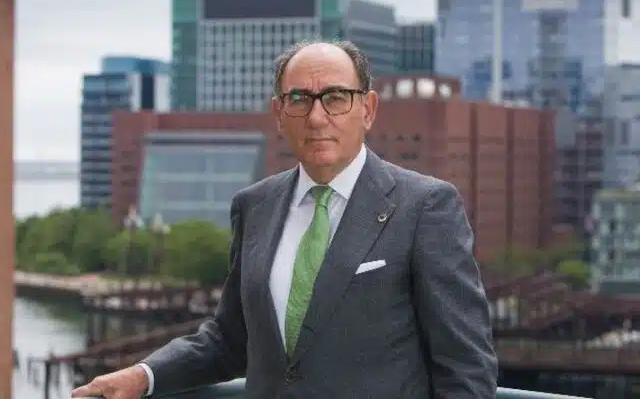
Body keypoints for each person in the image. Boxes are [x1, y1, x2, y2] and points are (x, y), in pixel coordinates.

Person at [72, 40, 498, 398]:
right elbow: (231, 339)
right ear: (279, 113)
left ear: (367, 109)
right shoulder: (254, 206)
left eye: (336, 97)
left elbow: (466, 368)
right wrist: (144, 376)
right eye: (299, 99)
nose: (316, 117)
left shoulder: (425, 207)